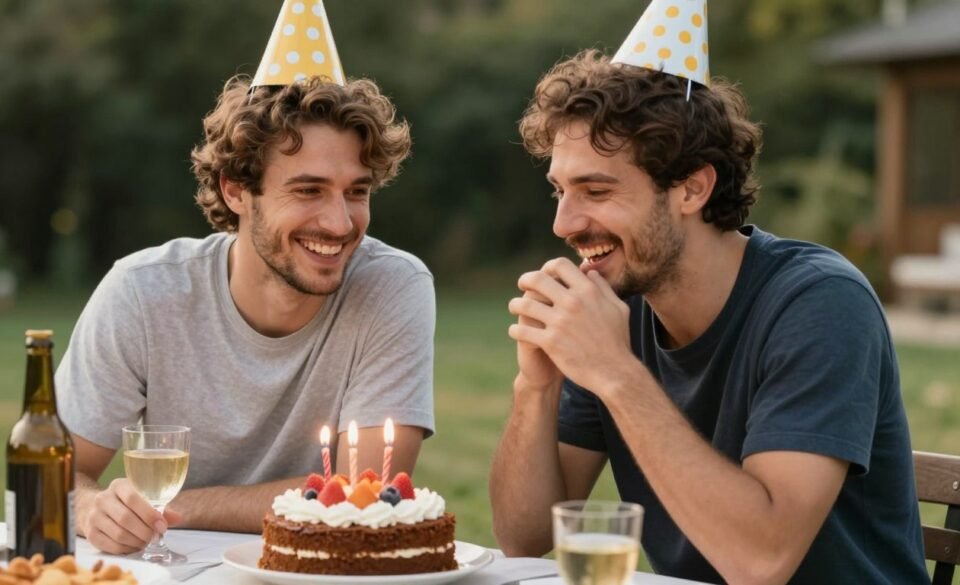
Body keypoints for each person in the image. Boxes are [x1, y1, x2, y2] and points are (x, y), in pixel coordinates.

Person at [489, 48, 929, 585]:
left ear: (693, 188)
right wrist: (536, 386)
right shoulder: (616, 302)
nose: (563, 223)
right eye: (560, 190)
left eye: (596, 191)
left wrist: (616, 374)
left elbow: (760, 562)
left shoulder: (820, 302)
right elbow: (525, 542)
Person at [57, 2, 434, 556]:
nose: (339, 222)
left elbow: (367, 491)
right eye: (308, 190)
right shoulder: (142, 292)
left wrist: (165, 508)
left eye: (356, 191)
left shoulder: (392, 286)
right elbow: (53, 476)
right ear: (237, 190)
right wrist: (92, 508)